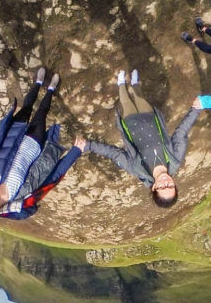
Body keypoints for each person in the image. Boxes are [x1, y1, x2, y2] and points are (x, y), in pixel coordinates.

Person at [0, 70, 86, 244]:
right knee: (42, 113)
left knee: (27, 106)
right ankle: (51, 90)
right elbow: (51, 179)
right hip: (34, 145)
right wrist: (75, 152)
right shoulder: (21, 206)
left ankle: (38, 83)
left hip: (13, 132)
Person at [84, 69, 201, 207]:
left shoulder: (137, 169)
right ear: (175, 185)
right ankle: (134, 84)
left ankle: (121, 84)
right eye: (170, 186)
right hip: (150, 117)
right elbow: (181, 133)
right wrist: (196, 109)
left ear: (153, 188)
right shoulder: (175, 159)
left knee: (126, 101)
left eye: (162, 188)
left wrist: (88, 145)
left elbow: (114, 153)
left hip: (130, 122)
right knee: (140, 99)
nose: (165, 183)